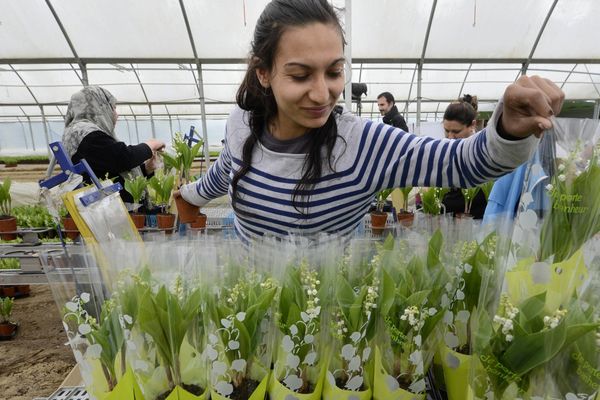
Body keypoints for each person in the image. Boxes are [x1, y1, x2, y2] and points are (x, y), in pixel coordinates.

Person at [174, 0, 564, 242]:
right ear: (263, 73)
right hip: (248, 312)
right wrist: (187, 197)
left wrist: (509, 127)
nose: (322, 92)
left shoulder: (362, 144)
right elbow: (226, 170)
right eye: (299, 75)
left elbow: (462, 163)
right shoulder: (242, 122)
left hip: (325, 327)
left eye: (333, 71)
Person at [62, 86, 165, 206]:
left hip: (107, 206)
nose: (116, 114)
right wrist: (150, 145)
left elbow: (111, 167)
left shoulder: (79, 132)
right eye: (113, 108)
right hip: (110, 211)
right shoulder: (85, 134)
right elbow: (123, 157)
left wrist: (146, 169)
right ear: (99, 108)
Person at [441, 95, 488, 219]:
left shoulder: (483, 153)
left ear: (472, 125)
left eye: (456, 132)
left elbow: (480, 197)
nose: (450, 137)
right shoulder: (445, 150)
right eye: (446, 130)